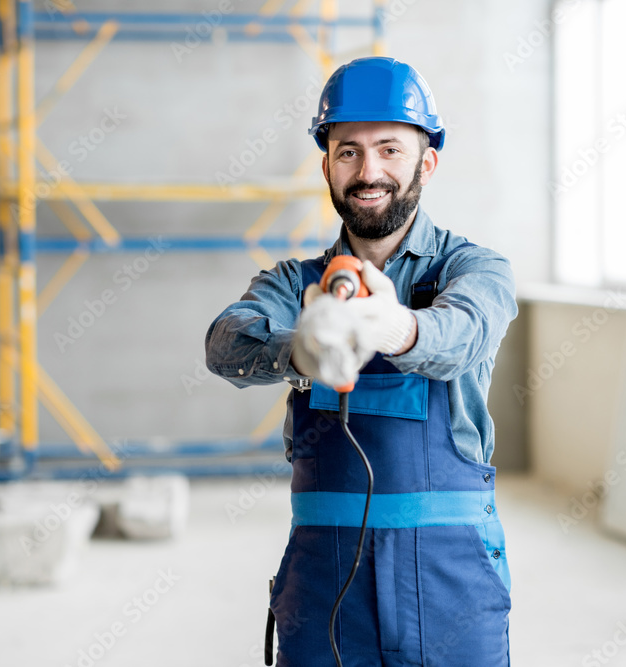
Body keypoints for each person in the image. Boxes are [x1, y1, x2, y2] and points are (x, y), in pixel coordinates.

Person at [205, 56, 518, 666]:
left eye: (390, 149)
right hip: (325, 579)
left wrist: (398, 326)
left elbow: (464, 333)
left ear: (426, 162)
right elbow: (225, 341)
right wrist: (298, 349)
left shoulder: (474, 269)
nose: (368, 171)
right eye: (347, 151)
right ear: (326, 164)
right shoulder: (295, 283)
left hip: (450, 574)